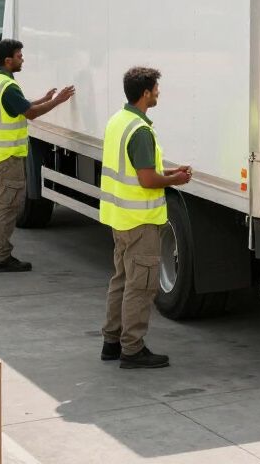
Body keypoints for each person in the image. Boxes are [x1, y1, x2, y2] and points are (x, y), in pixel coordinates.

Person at [100, 66, 192, 369]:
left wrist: (168, 173)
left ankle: (112, 342)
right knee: (141, 287)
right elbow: (146, 180)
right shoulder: (140, 131)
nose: (158, 93)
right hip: (140, 223)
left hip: (121, 218)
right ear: (145, 93)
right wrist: (174, 181)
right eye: (156, 89)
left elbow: (141, 170)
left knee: (122, 281)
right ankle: (132, 349)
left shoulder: (119, 120)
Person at [0, 39, 74, 273]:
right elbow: (29, 113)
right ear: (8, 60)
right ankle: (2, 258)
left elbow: (18, 107)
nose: (23, 59)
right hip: (8, 157)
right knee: (7, 208)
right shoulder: (8, 87)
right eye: (19, 56)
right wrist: (57, 101)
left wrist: (44, 99)